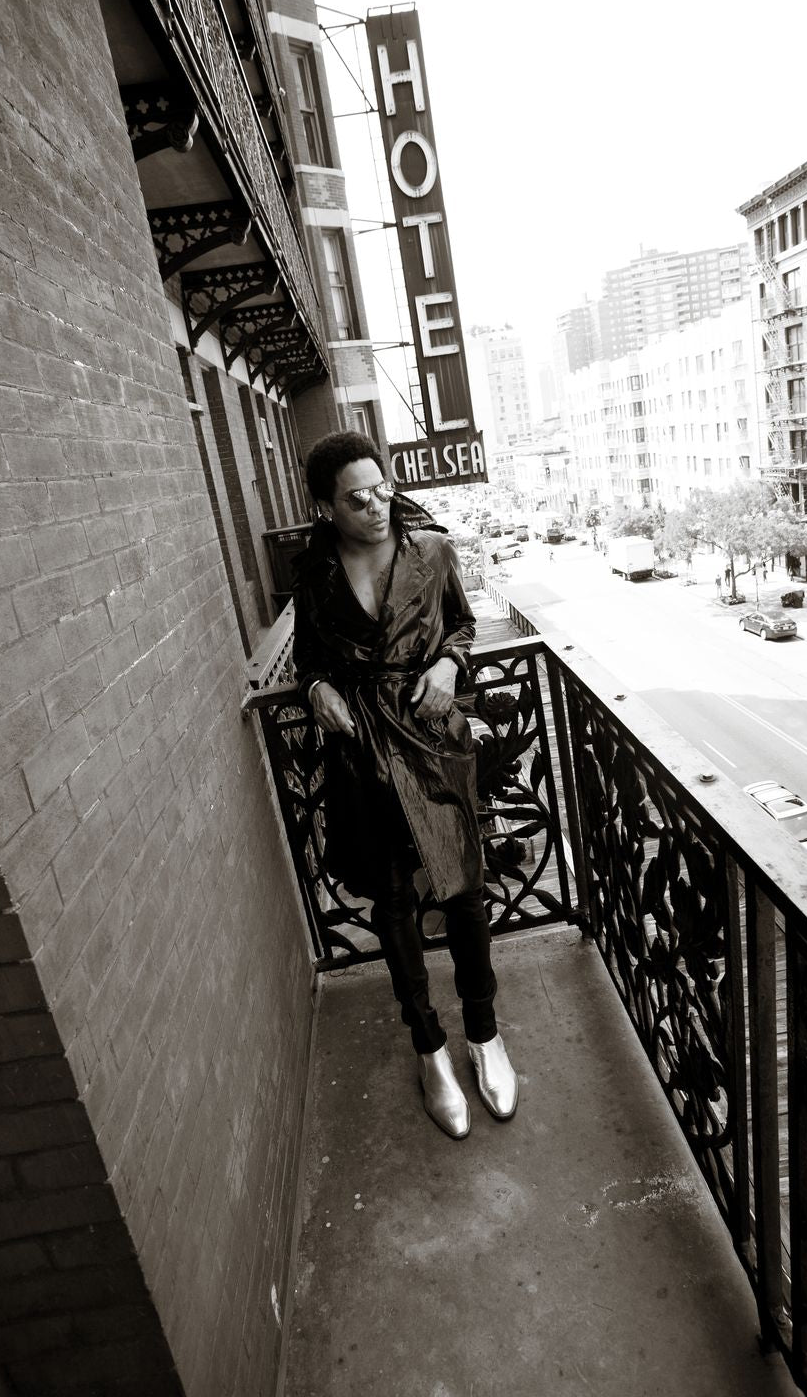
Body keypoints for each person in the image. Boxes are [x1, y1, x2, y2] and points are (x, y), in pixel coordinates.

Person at [292, 431, 518, 1141]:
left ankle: (484, 1033)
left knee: (463, 890)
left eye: (381, 488)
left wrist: (450, 665)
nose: (375, 505)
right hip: (360, 748)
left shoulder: (433, 551)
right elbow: (307, 657)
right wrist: (317, 688)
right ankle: (430, 1049)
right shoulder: (314, 573)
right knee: (391, 902)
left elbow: (462, 625)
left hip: (429, 737)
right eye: (356, 498)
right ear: (327, 508)